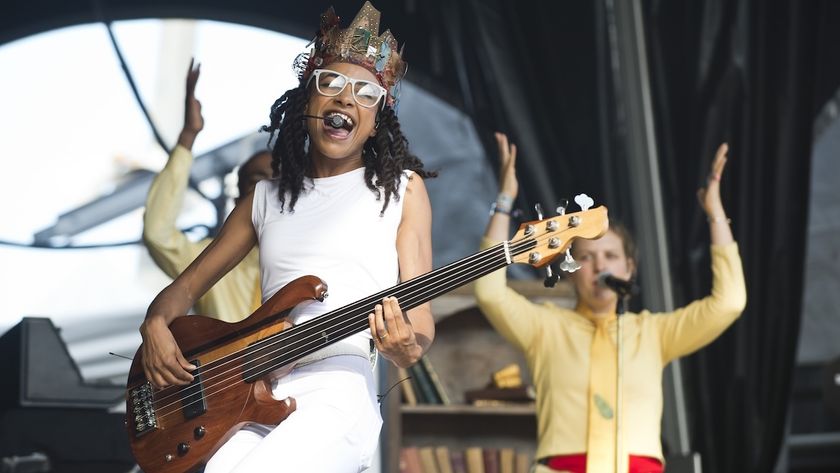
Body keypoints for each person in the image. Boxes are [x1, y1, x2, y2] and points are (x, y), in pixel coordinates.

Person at [138, 2, 435, 471]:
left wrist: (407, 347)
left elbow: (420, 322)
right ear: (307, 101)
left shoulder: (402, 191)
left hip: (339, 387)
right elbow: (184, 290)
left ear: (376, 119)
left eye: (364, 93)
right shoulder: (262, 199)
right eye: (331, 85)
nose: (344, 100)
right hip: (257, 390)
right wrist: (155, 323)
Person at [474, 133, 747, 473]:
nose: (601, 266)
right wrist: (504, 201)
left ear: (629, 268)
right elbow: (489, 291)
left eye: (611, 256)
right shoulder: (546, 328)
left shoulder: (653, 333)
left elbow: (729, 303)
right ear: (572, 271)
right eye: (587, 257)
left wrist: (715, 213)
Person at [142, 59, 272, 322]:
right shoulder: (210, 261)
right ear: (239, 197)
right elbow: (158, 234)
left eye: (280, 183)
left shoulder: (306, 258)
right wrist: (188, 136)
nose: (270, 192)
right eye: (259, 182)